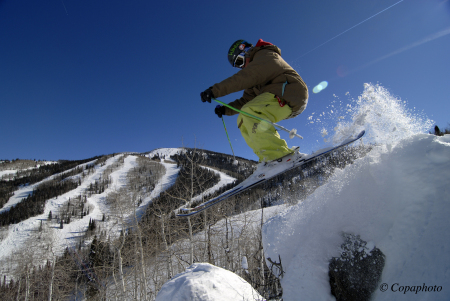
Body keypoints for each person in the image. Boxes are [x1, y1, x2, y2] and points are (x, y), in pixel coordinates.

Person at [201, 39, 308, 163]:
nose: (242, 68)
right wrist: (226, 109)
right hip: (279, 99)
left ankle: (279, 156)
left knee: (250, 111)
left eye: (240, 62)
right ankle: (267, 159)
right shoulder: (256, 77)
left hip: (290, 91)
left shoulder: (265, 56)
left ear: (245, 50)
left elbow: (246, 76)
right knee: (242, 118)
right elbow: (245, 100)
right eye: (238, 66)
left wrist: (215, 91)